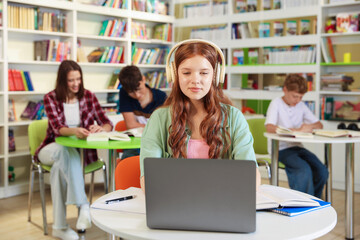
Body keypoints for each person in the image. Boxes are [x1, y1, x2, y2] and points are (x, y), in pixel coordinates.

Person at [139, 39, 261, 191]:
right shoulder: (159, 119)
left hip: (222, 204)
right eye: (186, 72)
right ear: (174, 74)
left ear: (215, 76)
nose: (195, 80)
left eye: (204, 73)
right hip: (176, 203)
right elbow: (148, 178)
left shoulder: (234, 117)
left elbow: (250, 174)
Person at [35, 60, 113, 240]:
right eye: (71, 80)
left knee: (58, 169)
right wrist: (75, 131)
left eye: (78, 79)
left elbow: (107, 122)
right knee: (64, 151)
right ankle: (83, 205)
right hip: (50, 149)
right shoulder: (51, 97)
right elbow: (57, 128)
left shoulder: (89, 96)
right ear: (62, 81)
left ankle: (60, 227)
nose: (76, 83)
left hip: (78, 155)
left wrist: (101, 128)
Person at [265, 74, 328, 198]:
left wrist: (309, 127)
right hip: (281, 149)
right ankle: (303, 203)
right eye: (295, 96)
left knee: (321, 170)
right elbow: (269, 127)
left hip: (297, 147)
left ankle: (314, 200)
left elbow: (319, 125)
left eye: (300, 97)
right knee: (303, 170)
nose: (298, 100)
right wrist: (292, 130)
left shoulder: (301, 105)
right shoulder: (276, 103)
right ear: (285, 90)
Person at [118, 65, 167, 159]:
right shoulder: (124, 94)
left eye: (139, 89)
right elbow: (131, 125)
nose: (137, 95)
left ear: (143, 79)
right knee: (128, 160)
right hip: (135, 143)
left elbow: (164, 127)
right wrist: (153, 128)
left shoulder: (161, 97)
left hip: (156, 141)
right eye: (131, 92)